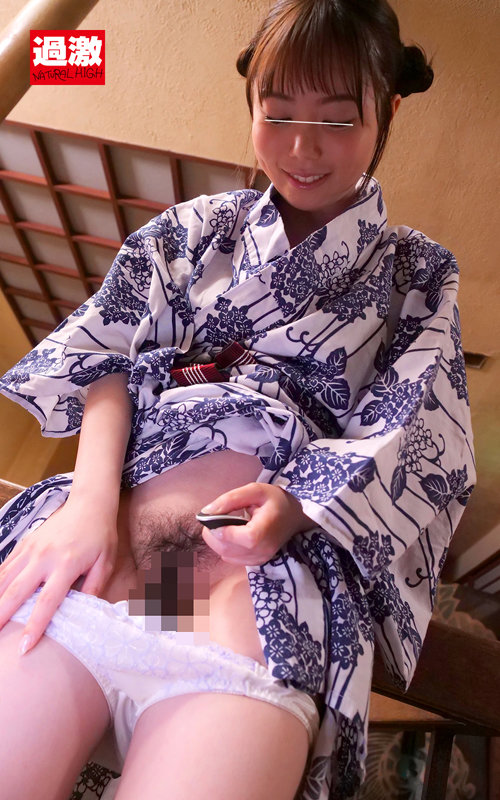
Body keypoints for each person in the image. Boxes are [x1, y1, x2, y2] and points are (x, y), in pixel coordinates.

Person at [0, 0, 475, 798]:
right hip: (104, 557)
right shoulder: (199, 229)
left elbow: (416, 429)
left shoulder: (417, 275)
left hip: (255, 611)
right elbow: (107, 355)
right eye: (276, 113)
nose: (301, 147)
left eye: (337, 119)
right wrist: (85, 503)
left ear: (387, 112)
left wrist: (296, 504)